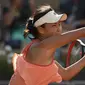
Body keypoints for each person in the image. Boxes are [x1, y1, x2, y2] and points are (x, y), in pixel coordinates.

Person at [9, 5, 85, 85]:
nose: (59, 28)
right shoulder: (41, 46)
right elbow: (82, 32)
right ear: (41, 29)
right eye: (54, 25)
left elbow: (66, 74)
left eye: (59, 24)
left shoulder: (46, 58)